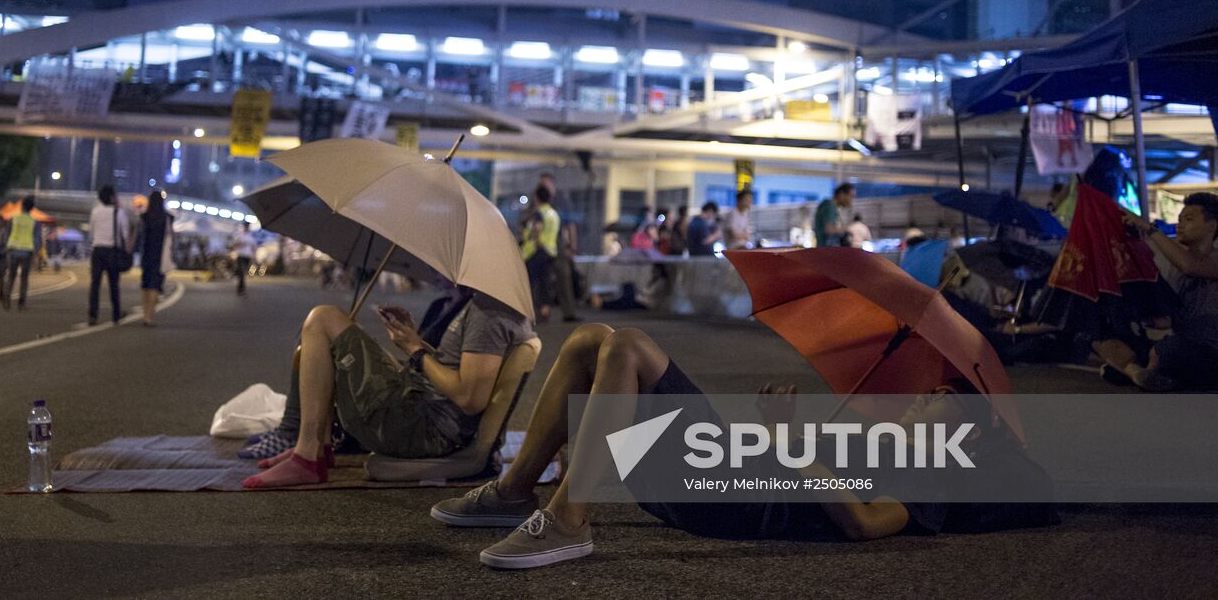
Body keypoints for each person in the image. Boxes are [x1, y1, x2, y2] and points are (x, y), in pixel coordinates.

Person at [429, 324, 1054, 569]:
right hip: (722, 467)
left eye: (943, 395)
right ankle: (514, 493)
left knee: (629, 348)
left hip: (725, 498)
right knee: (594, 339)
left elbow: (865, 522)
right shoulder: (892, 447)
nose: (926, 394)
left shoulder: (935, 477)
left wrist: (783, 439)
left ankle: (568, 517)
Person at [241, 290, 535, 488]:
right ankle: (318, 444)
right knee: (323, 340)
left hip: (423, 427)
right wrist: (414, 340)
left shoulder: (489, 312)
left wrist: (416, 351)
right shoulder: (488, 305)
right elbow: (459, 372)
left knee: (323, 318)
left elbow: (469, 398)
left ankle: (306, 456)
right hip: (424, 407)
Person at [1097, 193, 1218, 391]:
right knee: (1100, 334)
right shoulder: (1176, 268)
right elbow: (1171, 320)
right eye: (1179, 220)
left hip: (1208, 351)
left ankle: (1147, 374)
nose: (1179, 225)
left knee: (1171, 349)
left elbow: (1189, 265)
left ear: (1212, 226)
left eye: (1188, 219)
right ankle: (1137, 372)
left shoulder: (1208, 260)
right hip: (1179, 346)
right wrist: (1140, 319)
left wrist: (1149, 229)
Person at [538, 172, 580, 322]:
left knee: (564, 276)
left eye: (545, 184)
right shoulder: (538, 199)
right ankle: (540, 311)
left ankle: (569, 311)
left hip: (558, 242)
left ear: (552, 184)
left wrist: (572, 246)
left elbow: (570, 225)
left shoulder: (562, 201)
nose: (543, 187)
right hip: (542, 244)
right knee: (541, 278)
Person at [89, 185, 132, 324]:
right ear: (112, 197)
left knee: (95, 284)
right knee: (114, 285)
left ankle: (92, 315)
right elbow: (124, 233)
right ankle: (116, 314)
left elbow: (91, 232)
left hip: (97, 250)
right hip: (112, 251)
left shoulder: (95, 212)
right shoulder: (118, 212)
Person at [521, 185, 561, 322]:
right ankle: (545, 309)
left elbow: (536, 230)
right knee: (545, 282)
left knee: (531, 283)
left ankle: (529, 311)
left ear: (537, 197)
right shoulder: (553, 213)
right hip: (551, 251)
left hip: (537, 251)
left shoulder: (539, 213)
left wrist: (533, 240)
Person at [139, 191, 173, 327]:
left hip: (146, 253)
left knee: (145, 285)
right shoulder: (167, 217)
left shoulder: (144, 217)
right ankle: (150, 315)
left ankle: (144, 314)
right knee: (155, 285)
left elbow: (140, 235)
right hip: (160, 255)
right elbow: (171, 236)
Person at [5, 197, 41, 310]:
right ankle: (21, 303)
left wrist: (8, 248)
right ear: (32, 209)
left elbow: (8, 234)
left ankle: (6, 298)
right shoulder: (34, 222)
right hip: (27, 252)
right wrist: (36, 253)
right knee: (24, 279)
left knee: (11, 276)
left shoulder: (13, 219)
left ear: (21, 206)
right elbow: (37, 240)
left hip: (13, 250)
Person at [813, 183, 855, 248]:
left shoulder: (826, 205)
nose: (851, 201)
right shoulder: (830, 207)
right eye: (851, 196)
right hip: (826, 252)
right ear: (841, 194)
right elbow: (829, 230)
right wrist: (846, 229)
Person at [230, 222, 254, 296]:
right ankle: (241, 289)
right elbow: (234, 245)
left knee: (244, 272)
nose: (247, 228)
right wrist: (242, 244)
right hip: (241, 255)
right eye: (246, 226)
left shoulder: (250, 236)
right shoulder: (240, 235)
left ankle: (240, 288)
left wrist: (253, 255)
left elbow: (253, 246)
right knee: (242, 272)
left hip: (248, 256)